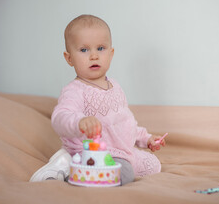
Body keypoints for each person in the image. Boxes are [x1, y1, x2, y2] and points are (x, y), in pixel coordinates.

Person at [30, 14, 165, 185]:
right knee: (123, 175)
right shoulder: (75, 90)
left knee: (153, 165)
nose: (94, 56)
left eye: (100, 48)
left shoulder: (115, 86)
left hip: (121, 150)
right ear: (69, 58)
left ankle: (73, 166)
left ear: (111, 53)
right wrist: (80, 122)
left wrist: (146, 138)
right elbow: (60, 117)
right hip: (93, 152)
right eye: (84, 50)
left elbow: (125, 123)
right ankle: (69, 166)